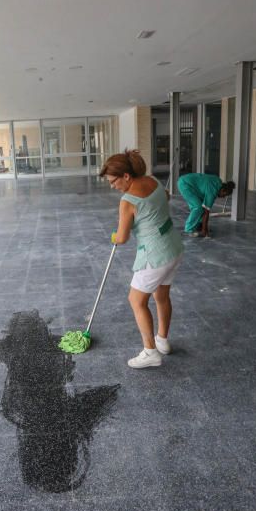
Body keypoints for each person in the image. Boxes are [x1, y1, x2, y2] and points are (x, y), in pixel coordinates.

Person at [100, 149, 184, 369]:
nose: (112, 185)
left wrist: (114, 237)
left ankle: (150, 352)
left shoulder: (127, 201)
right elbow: (165, 196)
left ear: (126, 176)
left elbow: (122, 237)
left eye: (113, 181)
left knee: (136, 300)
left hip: (154, 256)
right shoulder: (153, 180)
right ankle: (162, 340)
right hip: (173, 248)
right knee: (162, 295)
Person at [177, 173, 235, 237]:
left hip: (190, 184)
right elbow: (206, 211)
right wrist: (204, 230)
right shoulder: (213, 190)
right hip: (185, 184)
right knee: (197, 207)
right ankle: (188, 229)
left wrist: (204, 227)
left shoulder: (218, 182)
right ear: (223, 190)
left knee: (201, 205)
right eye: (224, 195)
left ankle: (198, 225)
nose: (223, 197)